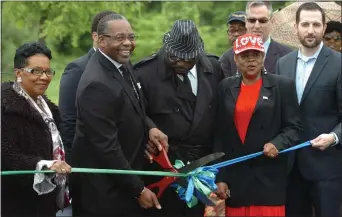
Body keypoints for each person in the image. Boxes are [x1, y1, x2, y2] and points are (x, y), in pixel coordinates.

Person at [72, 13, 168, 216]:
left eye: (131, 37)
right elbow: (106, 148)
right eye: (120, 38)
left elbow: (133, 104)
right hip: (107, 193)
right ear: (101, 40)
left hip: (127, 178)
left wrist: (150, 127)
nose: (127, 43)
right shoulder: (96, 84)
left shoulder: (122, 63)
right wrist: (138, 189)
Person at [134, 19, 225, 217]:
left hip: (202, 171)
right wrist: (148, 130)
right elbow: (135, 115)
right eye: (174, 56)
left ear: (197, 54)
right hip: (162, 172)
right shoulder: (144, 73)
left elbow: (221, 122)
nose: (179, 62)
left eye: (186, 58)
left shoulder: (214, 69)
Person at [214, 34, 302, 217]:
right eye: (245, 56)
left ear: (264, 57)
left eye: (256, 54)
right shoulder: (224, 87)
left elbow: (294, 128)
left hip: (269, 178)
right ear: (235, 59)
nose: (251, 60)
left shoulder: (283, 86)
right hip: (236, 179)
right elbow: (220, 135)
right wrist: (220, 177)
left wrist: (278, 143)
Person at [275, 2, 342, 217]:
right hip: (290, 167)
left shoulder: (339, 64)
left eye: (316, 24)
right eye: (305, 24)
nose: (310, 30)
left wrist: (334, 136)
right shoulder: (282, 64)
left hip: (327, 168)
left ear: (324, 28)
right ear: (296, 27)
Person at [1, 42, 72, 217]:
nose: (44, 77)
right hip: (15, 203)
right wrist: (45, 165)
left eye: (48, 72)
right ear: (18, 73)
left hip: (45, 202)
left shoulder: (48, 107)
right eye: (36, 71)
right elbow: (6, 156)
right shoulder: (5, 107)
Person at [58, 10, 116, 216]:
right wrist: (77, 171)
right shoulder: (78, 68)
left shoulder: (125, 68)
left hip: (116, 166)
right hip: (88, 170)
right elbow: (68, 122)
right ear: (96, 36)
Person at [244, 1, 292, 74]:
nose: (257, 26)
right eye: (252, 20)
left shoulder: (287, 56)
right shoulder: (229, 57)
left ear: (272, 22)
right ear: (245, 22)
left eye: (262, 21)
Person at [219, 11, 247, 77]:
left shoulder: (258, 53)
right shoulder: (225, 58)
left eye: (241, 30)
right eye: (232, 30)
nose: (236, 34)